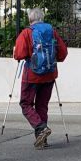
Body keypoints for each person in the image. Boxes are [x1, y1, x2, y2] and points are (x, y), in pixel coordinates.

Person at [12, 8, 68, 149]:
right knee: (42, 106)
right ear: (42, 18)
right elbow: (63, 53)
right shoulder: (52, 32)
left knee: (25, 104)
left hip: (32, 75)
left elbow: (19, 54)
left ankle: (41, 128)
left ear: (30, 19)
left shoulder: (27, 32)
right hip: (49, 75)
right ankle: (42, 139)